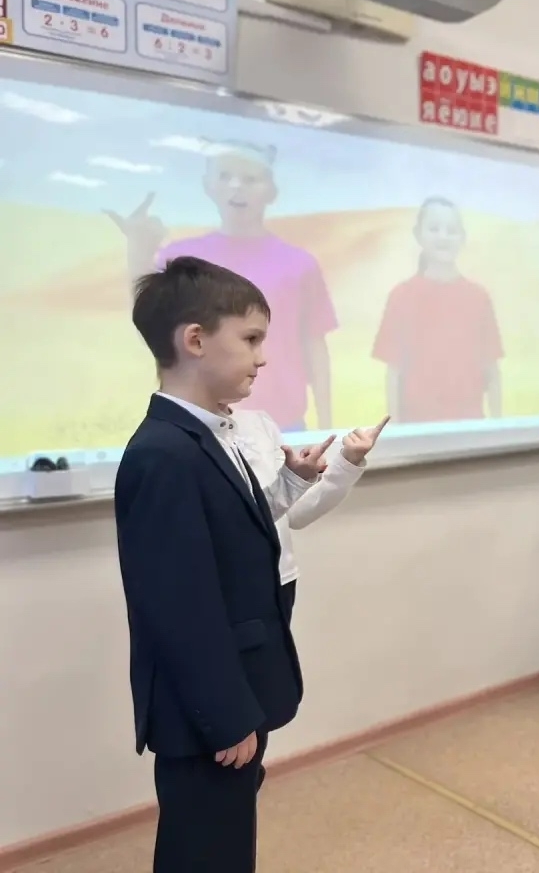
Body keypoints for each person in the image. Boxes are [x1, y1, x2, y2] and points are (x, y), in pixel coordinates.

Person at [115, 257, 334, 872]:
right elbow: (177, 606)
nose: (262, 358)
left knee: (225, 842)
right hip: (208, 712)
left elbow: (237, 535)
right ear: (195, 340)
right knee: (204, 850)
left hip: (234, 693)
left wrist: (293, 479)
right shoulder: (164, 453)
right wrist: (226, 715)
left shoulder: (214, 435)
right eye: (251, 339)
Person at [107, 141, 339, 431]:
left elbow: (314, 344)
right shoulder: (181, 259)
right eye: (225, 176)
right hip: (200, 426)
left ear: (272, 190)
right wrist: (139, 252)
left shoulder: (299, 263)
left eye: (250, 179)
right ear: (209, 185)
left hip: (284, 428)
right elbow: (156, 329)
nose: (236, 186)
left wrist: (327, 425)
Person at [229, 410, 390, 623]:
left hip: (280, 577)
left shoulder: (259, 422)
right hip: (231, 583)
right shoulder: (189, 437)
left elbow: (295, 513)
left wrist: (348, 461)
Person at [372, 196, 503, 422]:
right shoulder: (400, 297)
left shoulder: (479, 297)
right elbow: (393, 374)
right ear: (418, 234)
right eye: (434, 229)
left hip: (470, 429)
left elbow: (492, 370)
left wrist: (497, 426)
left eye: (451, 230)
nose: (443, 237)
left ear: (462, 238)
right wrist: (394, 429)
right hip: (416, 430)